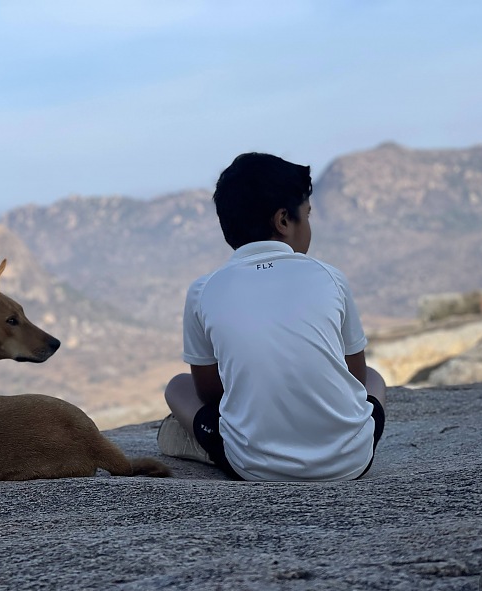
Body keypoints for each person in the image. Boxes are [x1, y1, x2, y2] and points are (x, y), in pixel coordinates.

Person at [157, 152, 386, 481]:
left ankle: (200, 441)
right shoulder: (330, 276)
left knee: (177, 387)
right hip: (349, 462)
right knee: (377, 379)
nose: (308, 226)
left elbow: (208, 394)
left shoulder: (204, 290)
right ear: (283, 220)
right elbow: (358, 378)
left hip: (253, 467)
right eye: (306, 215)